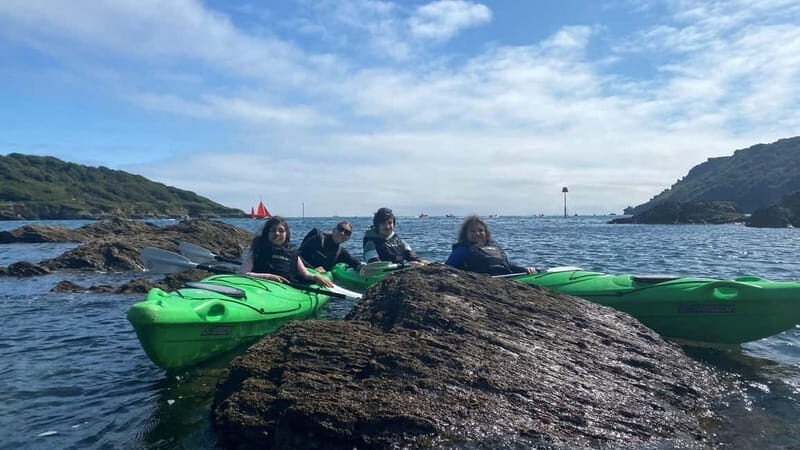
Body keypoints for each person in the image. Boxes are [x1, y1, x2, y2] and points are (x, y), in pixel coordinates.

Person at [240, 216, 334, 287]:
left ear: (286, 234)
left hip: (286, 290)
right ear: (266, 233)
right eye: (273, 230)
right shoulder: (257, 250)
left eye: (281, 231)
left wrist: (315, 277)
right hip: (259, 287)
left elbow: (305, 274)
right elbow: (243, 273)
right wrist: (269, 277)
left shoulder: (292, 253)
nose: (277, 233)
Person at [445, 215, 536, 275]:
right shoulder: (462, 250)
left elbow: (505, 265)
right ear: (465, 234)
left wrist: (524, 269)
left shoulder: (494, 246)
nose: (477, 233)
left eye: (481, 230)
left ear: (486, 232)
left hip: (505, 278)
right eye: (472, 231)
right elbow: (447, 268)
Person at [363, 207, 429, 264]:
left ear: (394, 224)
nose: (387, 226)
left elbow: (409, 254)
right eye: (383, 223)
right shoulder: (370, 242)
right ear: (377, 225)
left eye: (390, 223)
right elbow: (374, 263)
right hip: (379, 273)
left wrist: (419, 261)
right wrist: (406, 266)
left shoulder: (397, 240)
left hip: (397, 270)